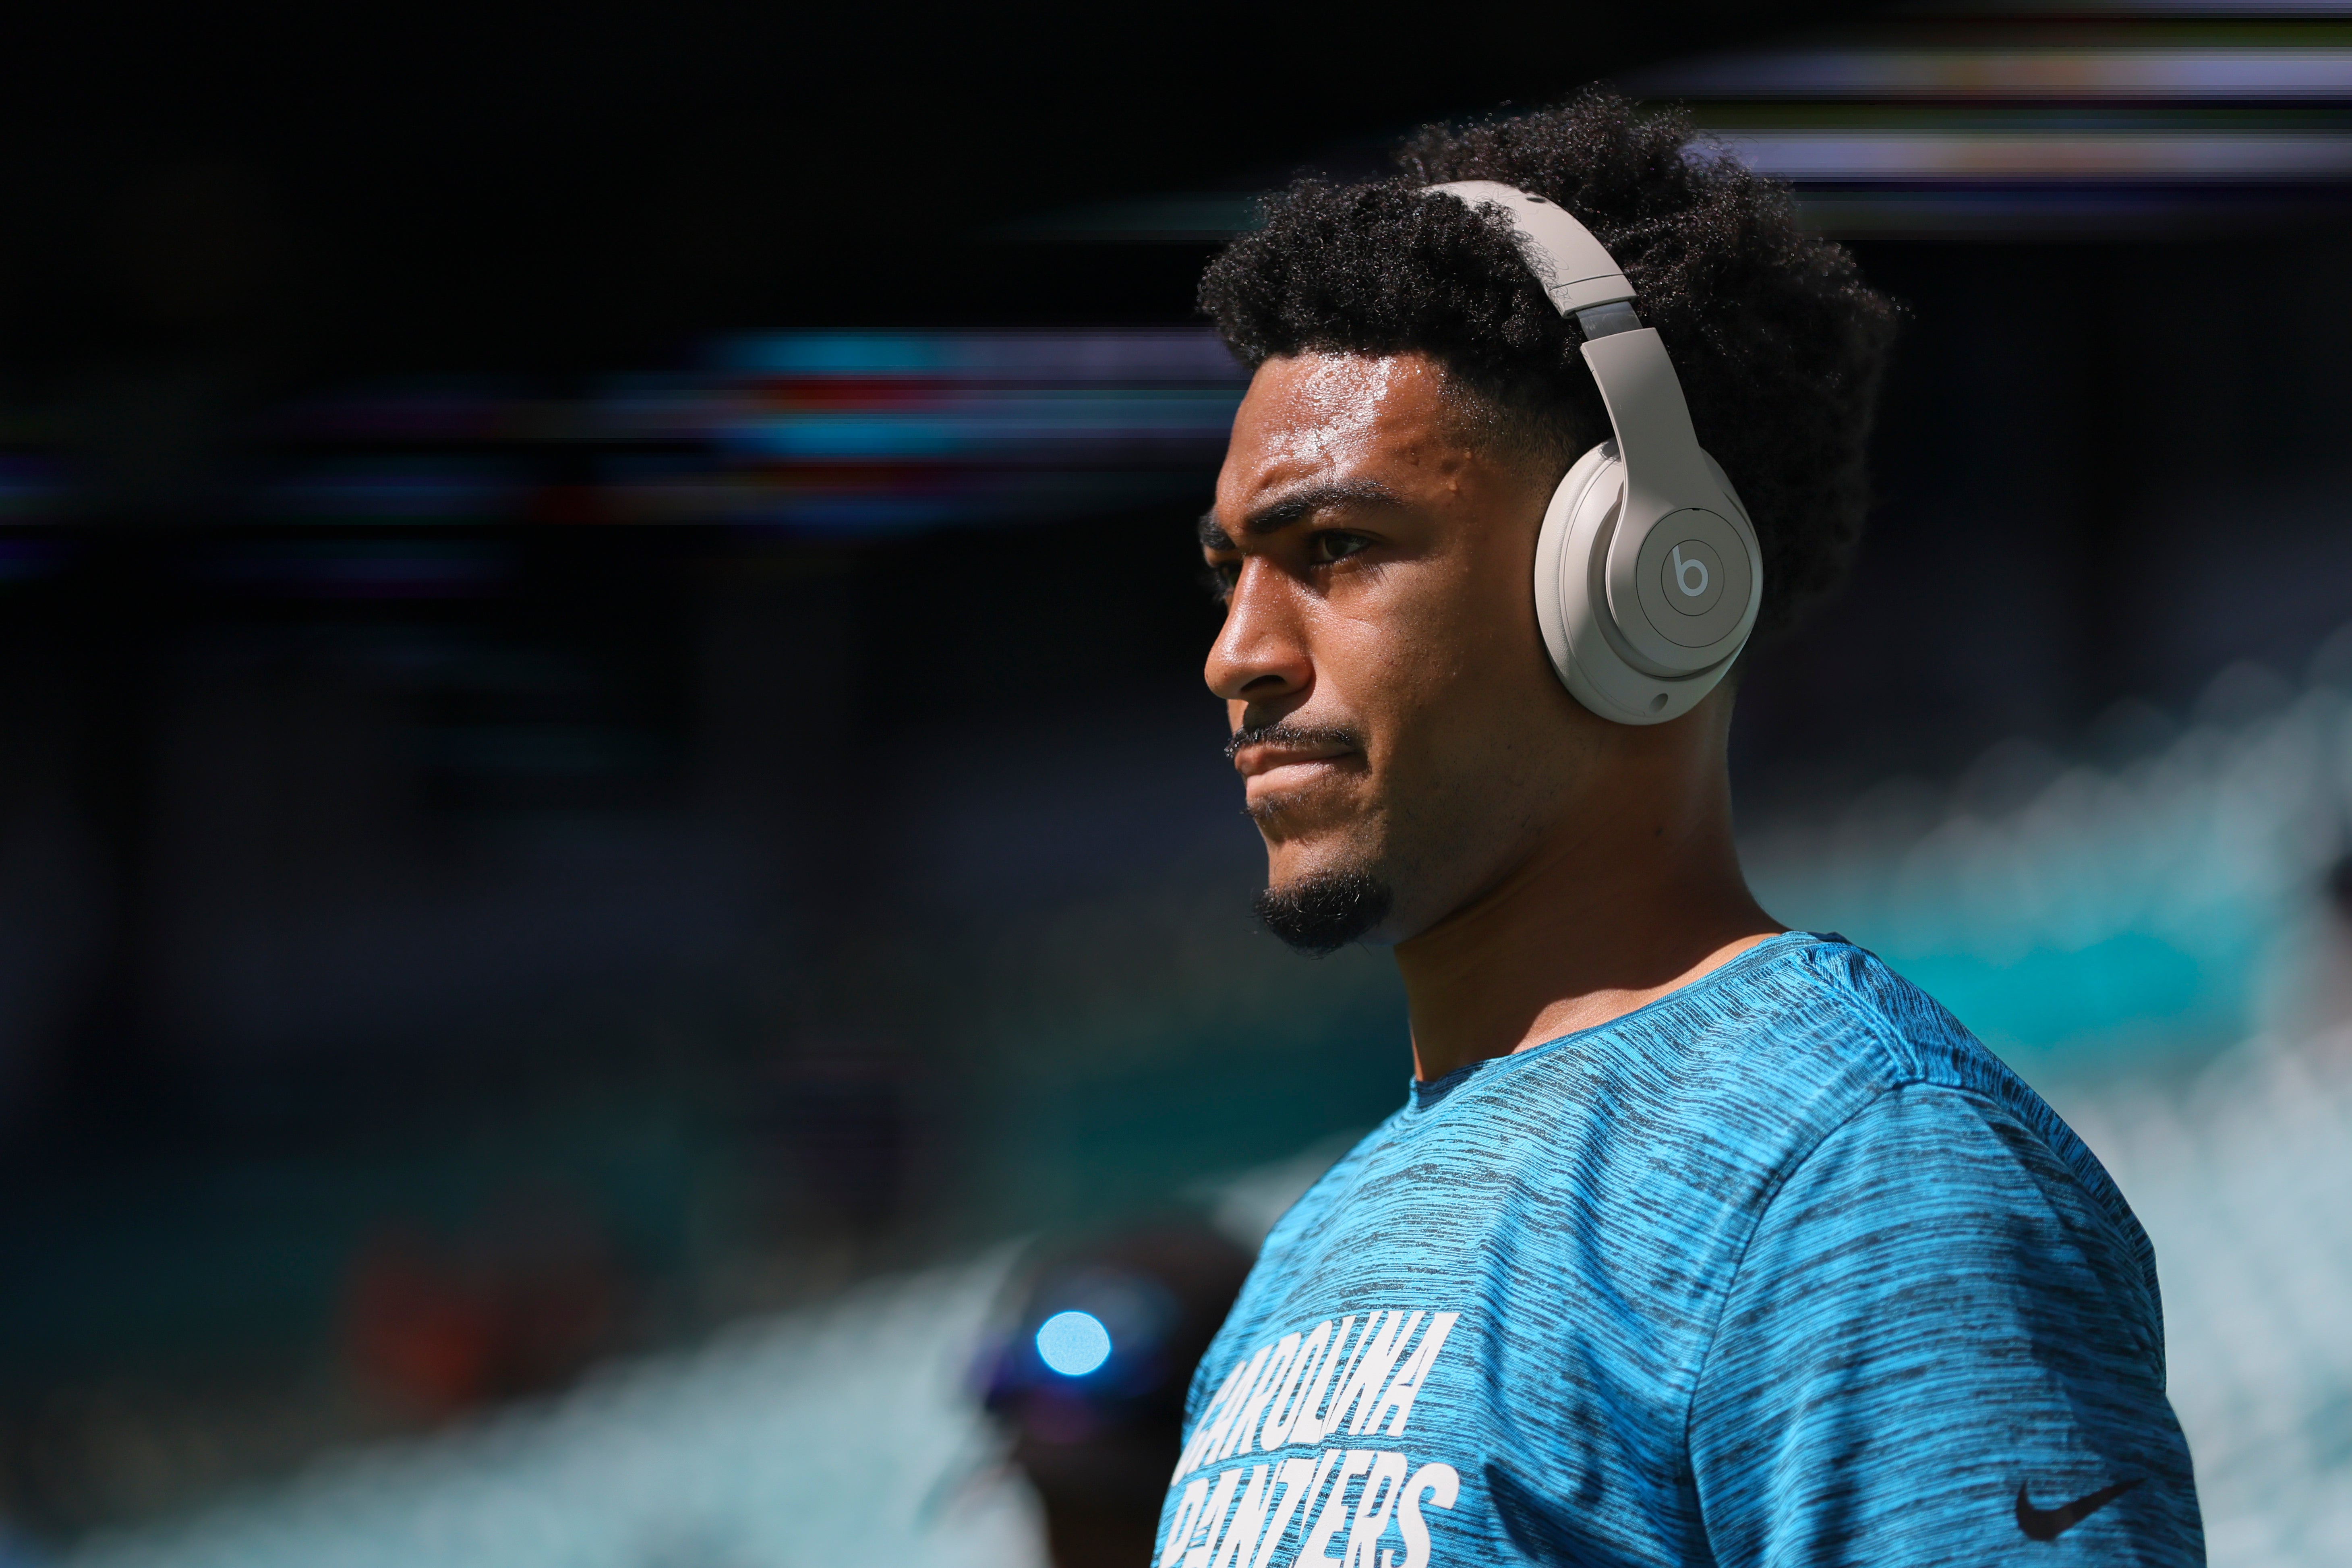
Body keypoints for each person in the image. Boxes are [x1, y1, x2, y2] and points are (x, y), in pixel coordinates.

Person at [1157, 92, 2202, 1567]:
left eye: (1336, 551)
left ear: (1647, 574)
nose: (1240, 654)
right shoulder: (1314, 1251)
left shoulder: (1870, 1174)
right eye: (1229, 575)